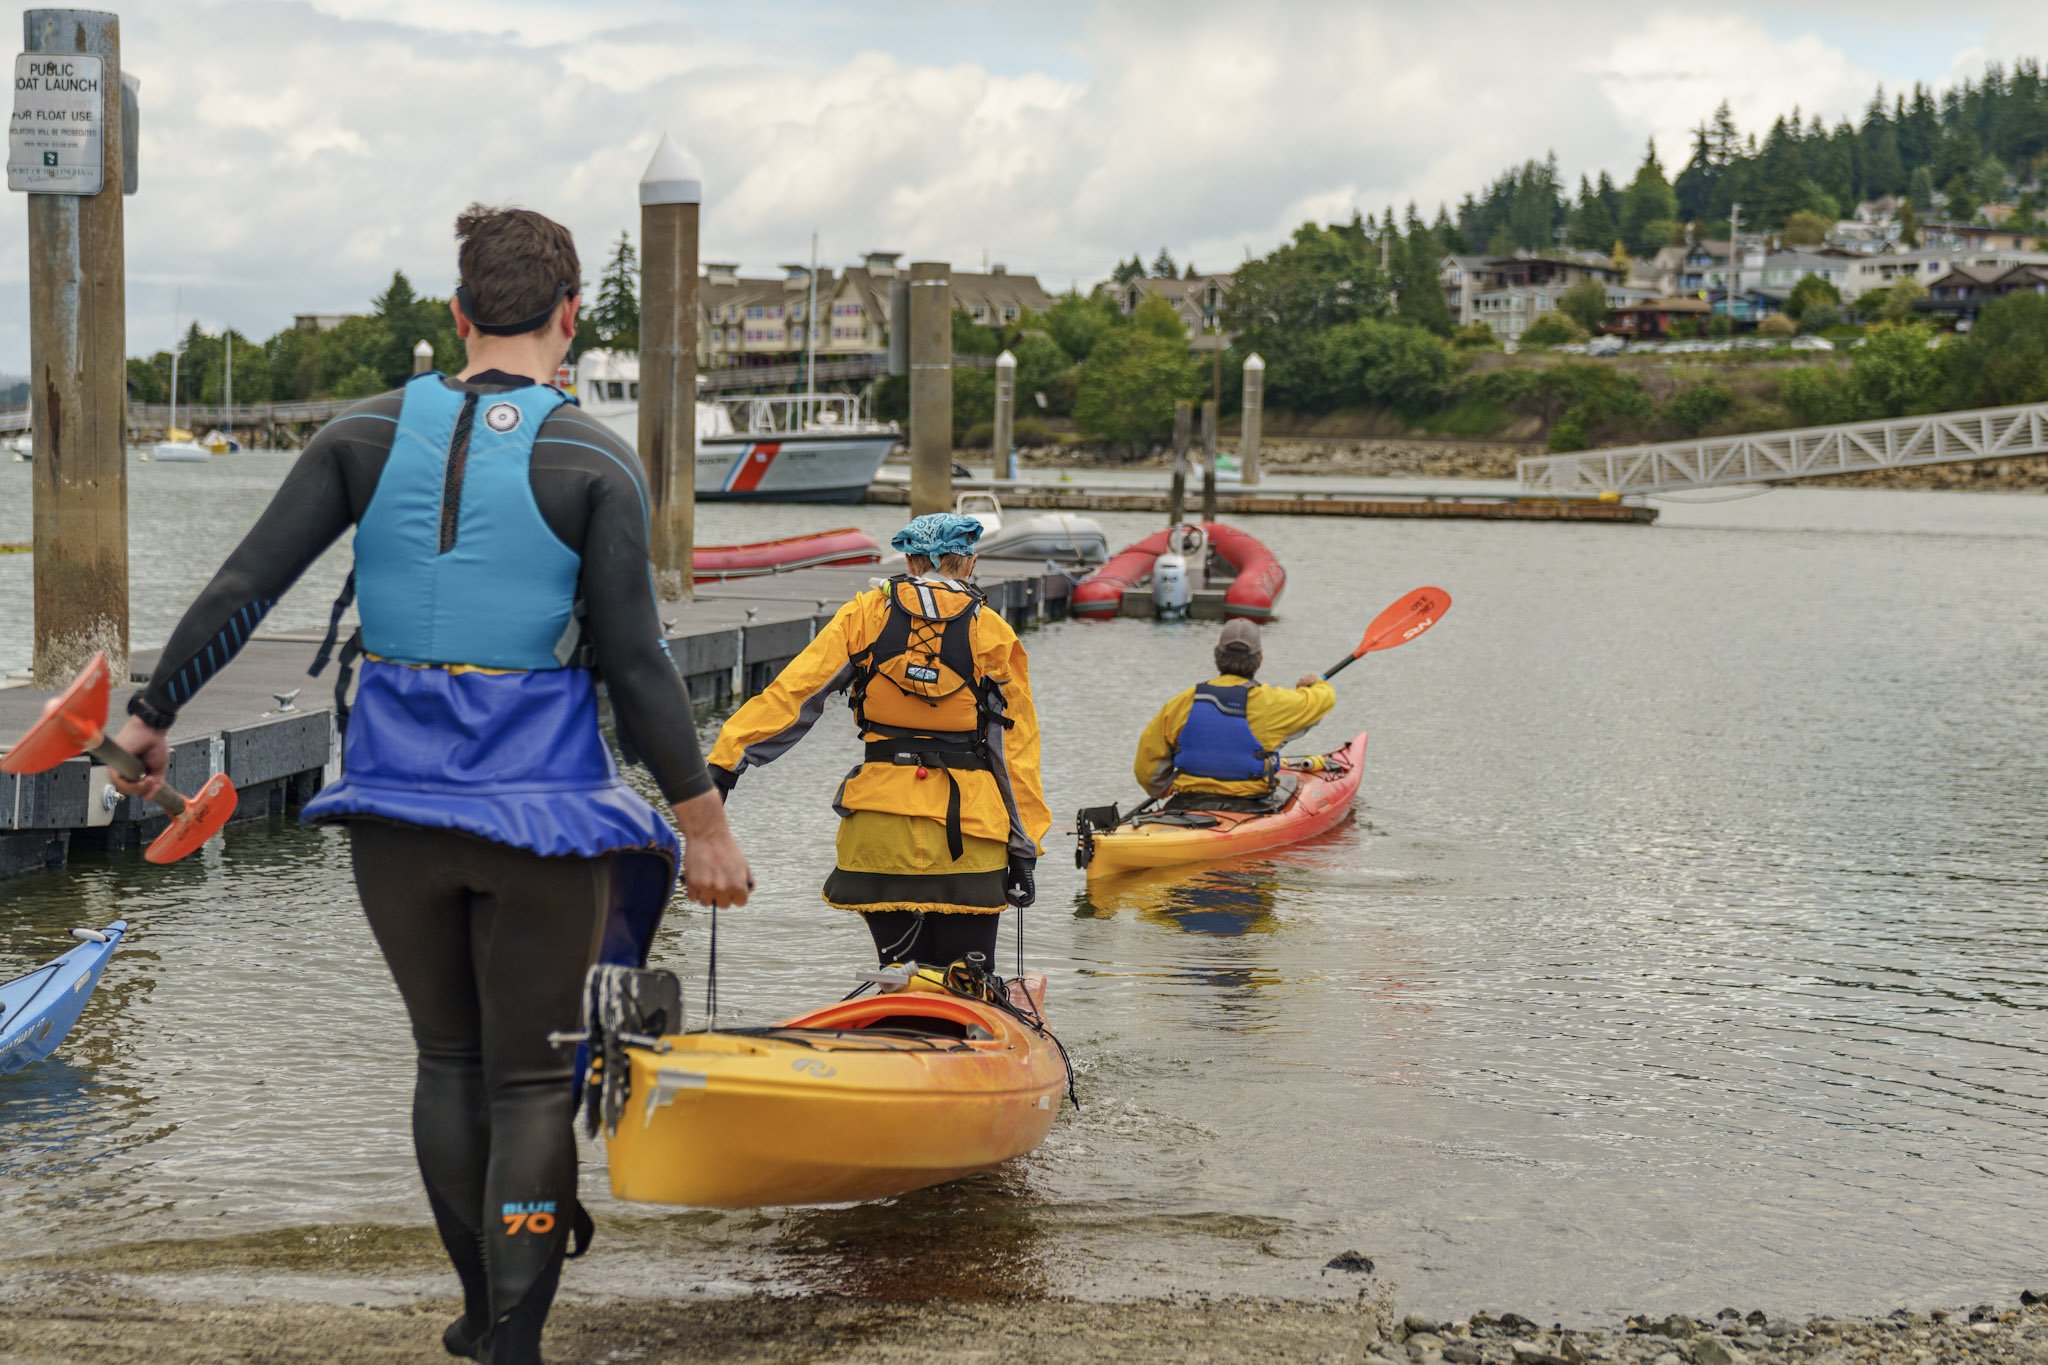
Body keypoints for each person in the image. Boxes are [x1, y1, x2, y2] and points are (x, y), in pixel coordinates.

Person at [107, 205, 752, 1365]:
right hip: (541, 819)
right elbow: (641, 661)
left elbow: (246, 586)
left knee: (448, 1062)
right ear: (570, 318)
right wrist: (700, 821)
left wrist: (152, 716)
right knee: (529, 1083)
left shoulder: (360, 434)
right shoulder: (594, 456)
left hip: (390, 811)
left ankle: (475, 1311)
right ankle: (513, 1337)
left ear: (457, 318)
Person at [708, 513, 1049, 968]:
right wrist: (1025, 849)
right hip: (968, 839)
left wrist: (722, 767)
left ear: (910, 561)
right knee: (969, 982)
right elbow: (1014, 754)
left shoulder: (865, 614)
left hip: (878, 832)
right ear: (968, 564)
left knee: (900, 973)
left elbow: (792, 696)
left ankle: (896, 1024)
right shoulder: (992, 633)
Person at [1133, 618, 1335, 805]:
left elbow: (1147, 764)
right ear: (1259, 659)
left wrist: (1163, 789)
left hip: (1188, 800)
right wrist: (1315, 685)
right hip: (1251, 802)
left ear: (1216, 656)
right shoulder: (1273, 702)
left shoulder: (1182, 702)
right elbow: (1324, 701)